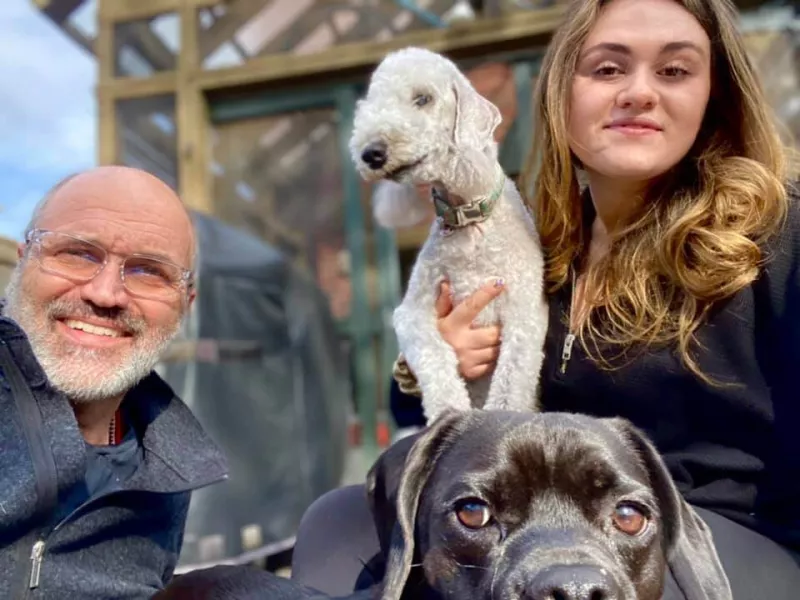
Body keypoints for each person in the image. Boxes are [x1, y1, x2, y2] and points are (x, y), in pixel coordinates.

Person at [290, 0, 800, 597]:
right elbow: (421, 416)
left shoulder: (778, 231)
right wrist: (433, 358)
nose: (638, 91)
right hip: (533, 522)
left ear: (713, 98)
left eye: (674, 71)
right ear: (562, 93)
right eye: (608, 69)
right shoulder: (534, 241)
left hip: (729, 532)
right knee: (337, 522)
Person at [0, 166, 228, 599]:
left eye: (148, 271)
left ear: (186, 304)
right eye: (78, 254)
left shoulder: (167, 473)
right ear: (25, 258)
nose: (105, 294)